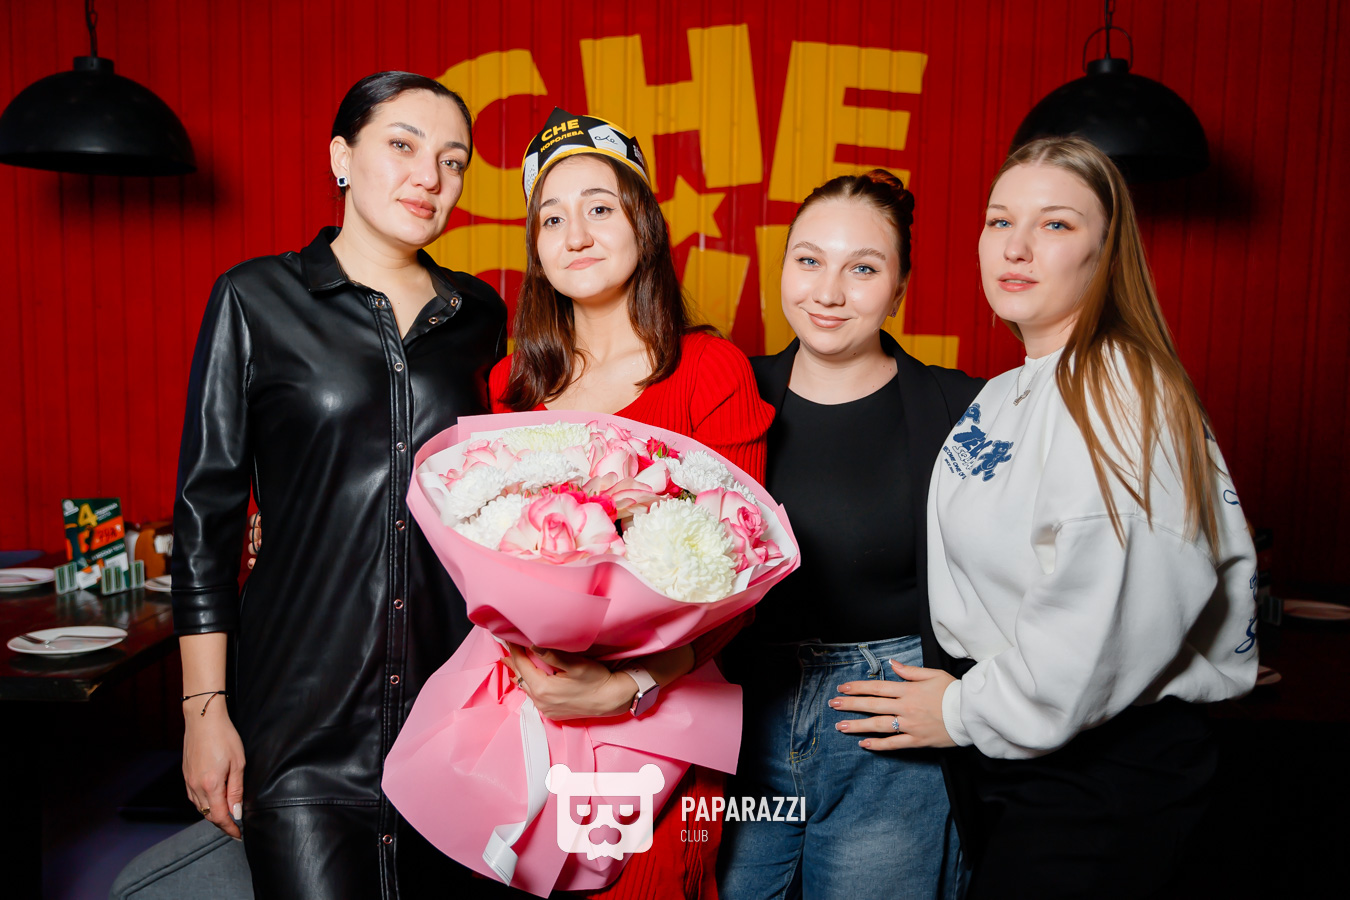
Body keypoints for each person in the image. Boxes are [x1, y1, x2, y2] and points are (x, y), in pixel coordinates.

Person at [833, 137, 1258, 899]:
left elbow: (1109, 611)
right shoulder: (1008, 390)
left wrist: (963, 709)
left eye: (1056, 224)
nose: (1017, 247)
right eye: (1000, 221)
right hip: (1020, 750)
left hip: (1098, 768)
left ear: (1106, 252)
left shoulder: (1120, 390)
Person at [171, 72, 507, 900]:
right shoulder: (256, 299)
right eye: (402, 146)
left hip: (454, 718)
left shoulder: (481, 316)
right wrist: (204, 711)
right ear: (341, 157)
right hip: (300, 724)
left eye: (452, 161)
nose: (430, 177)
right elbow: (207, 518)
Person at [492, 108, 774, 898]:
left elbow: (745, 579)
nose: (576, 234)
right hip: (526, 724)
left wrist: (630, 684)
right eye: (552, 218)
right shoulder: (512, 386)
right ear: (536, 248)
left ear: (644, 226)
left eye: (599, 208)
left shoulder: (711, 371)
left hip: (661, 732)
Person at [715, 170, 981, 900]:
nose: (827, 292)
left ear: (900, 289)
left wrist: (969, 702)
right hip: (743, 716)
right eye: (809, 260)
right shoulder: (729, 394)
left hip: (888, 730)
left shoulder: (961, 408)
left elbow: (1032, 583)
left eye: (862, 268)